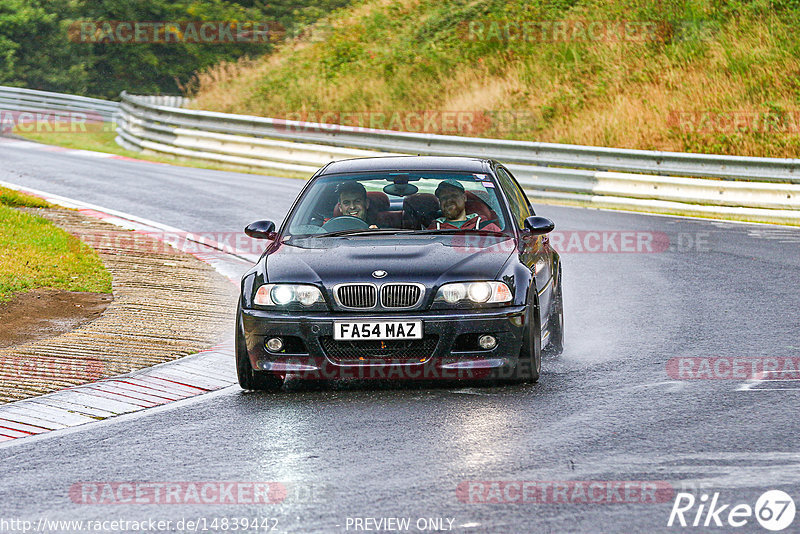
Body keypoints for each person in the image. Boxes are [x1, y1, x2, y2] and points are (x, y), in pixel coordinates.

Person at [428, 179, 501, 231]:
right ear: (440, 202)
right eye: (444, 197)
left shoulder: (488, 228)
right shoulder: (432, 231)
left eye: (453, 196)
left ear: (464, 198)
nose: (448, 200)